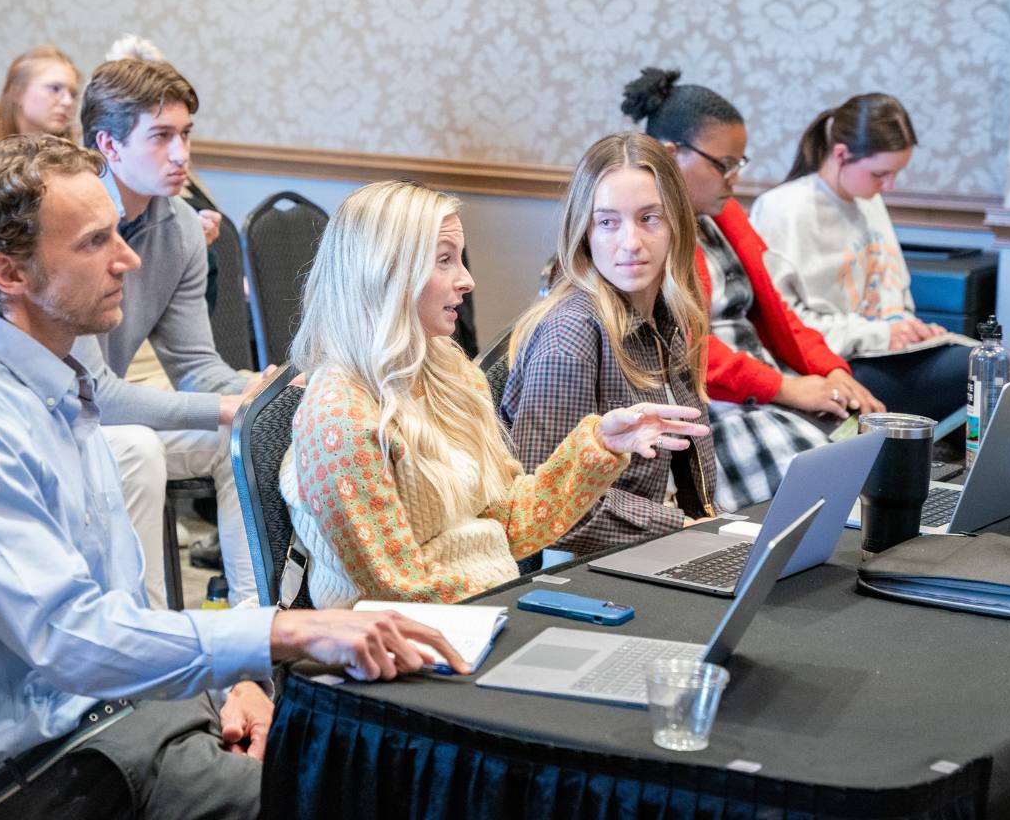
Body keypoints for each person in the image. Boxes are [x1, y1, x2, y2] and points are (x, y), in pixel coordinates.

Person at [0, 134, 465, 817]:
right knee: (367, 796)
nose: (128, 259)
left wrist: (223, 687)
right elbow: (69, 639)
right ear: (8, 274)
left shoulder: (56, 389)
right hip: (51, 772)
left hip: (126, 717)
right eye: (93, 243)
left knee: (389, 767)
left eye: (116, 232)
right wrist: (283, 633)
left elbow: (120, 614)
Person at [281, 180, 710, 608]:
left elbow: (508, 525)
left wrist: (599, 446)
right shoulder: (339, 418)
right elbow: (398, 590)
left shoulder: (450, 372)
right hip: (401, 645)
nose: (466, 280)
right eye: (444, 261)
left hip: (486, 612)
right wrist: (512, 610)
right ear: (383, 273)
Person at [749, 93, 1010, 474]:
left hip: (882, 355)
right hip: (836, 366)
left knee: (1001, 370)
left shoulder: (868, 199)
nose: (889, 185)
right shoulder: (783, 209)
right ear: (841, 154)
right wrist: (881, 334)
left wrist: (908, 328)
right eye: (880, 173)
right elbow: (782, 326)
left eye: (895, 174)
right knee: (997, 369)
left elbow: (888, 294)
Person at [620, 67, 884, 510]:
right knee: (825, 483)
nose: (733, 178)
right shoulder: (643, 238)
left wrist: (831, 370)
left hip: (763, 388)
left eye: (738, 164)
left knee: (878, 451)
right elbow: (679, 348)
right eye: (723, 164)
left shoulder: (721, 217)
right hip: (711, 405)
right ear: (669, 155)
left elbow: (777, 313)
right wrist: (785, 388)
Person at [76, 57, 274, 608]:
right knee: (141, 444)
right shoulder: (71, 226)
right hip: (45, 422)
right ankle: (156, 647)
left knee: (251, 435)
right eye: (161, 137)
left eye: (185, 134)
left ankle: (256, 638)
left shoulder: (182, 225)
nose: (182, 154)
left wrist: (256, 390)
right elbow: (94, 396)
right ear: (108, 146)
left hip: (98, 424)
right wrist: (223, 406)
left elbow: (196, 367)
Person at [503, 133, 718, 553]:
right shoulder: (570, 334)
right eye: (607, 222)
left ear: (677, 222)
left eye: (649, 218)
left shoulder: (669, 318)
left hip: (662, 547)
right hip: (587, 566)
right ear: (583, 232)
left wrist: (712, 530)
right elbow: (546, 511)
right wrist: (683, 531)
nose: (630, 243)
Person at [0, 45, 81, 145]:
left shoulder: (74, 160)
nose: (68, 102)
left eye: (73, 94)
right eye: (55, 88)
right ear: (18, 93)